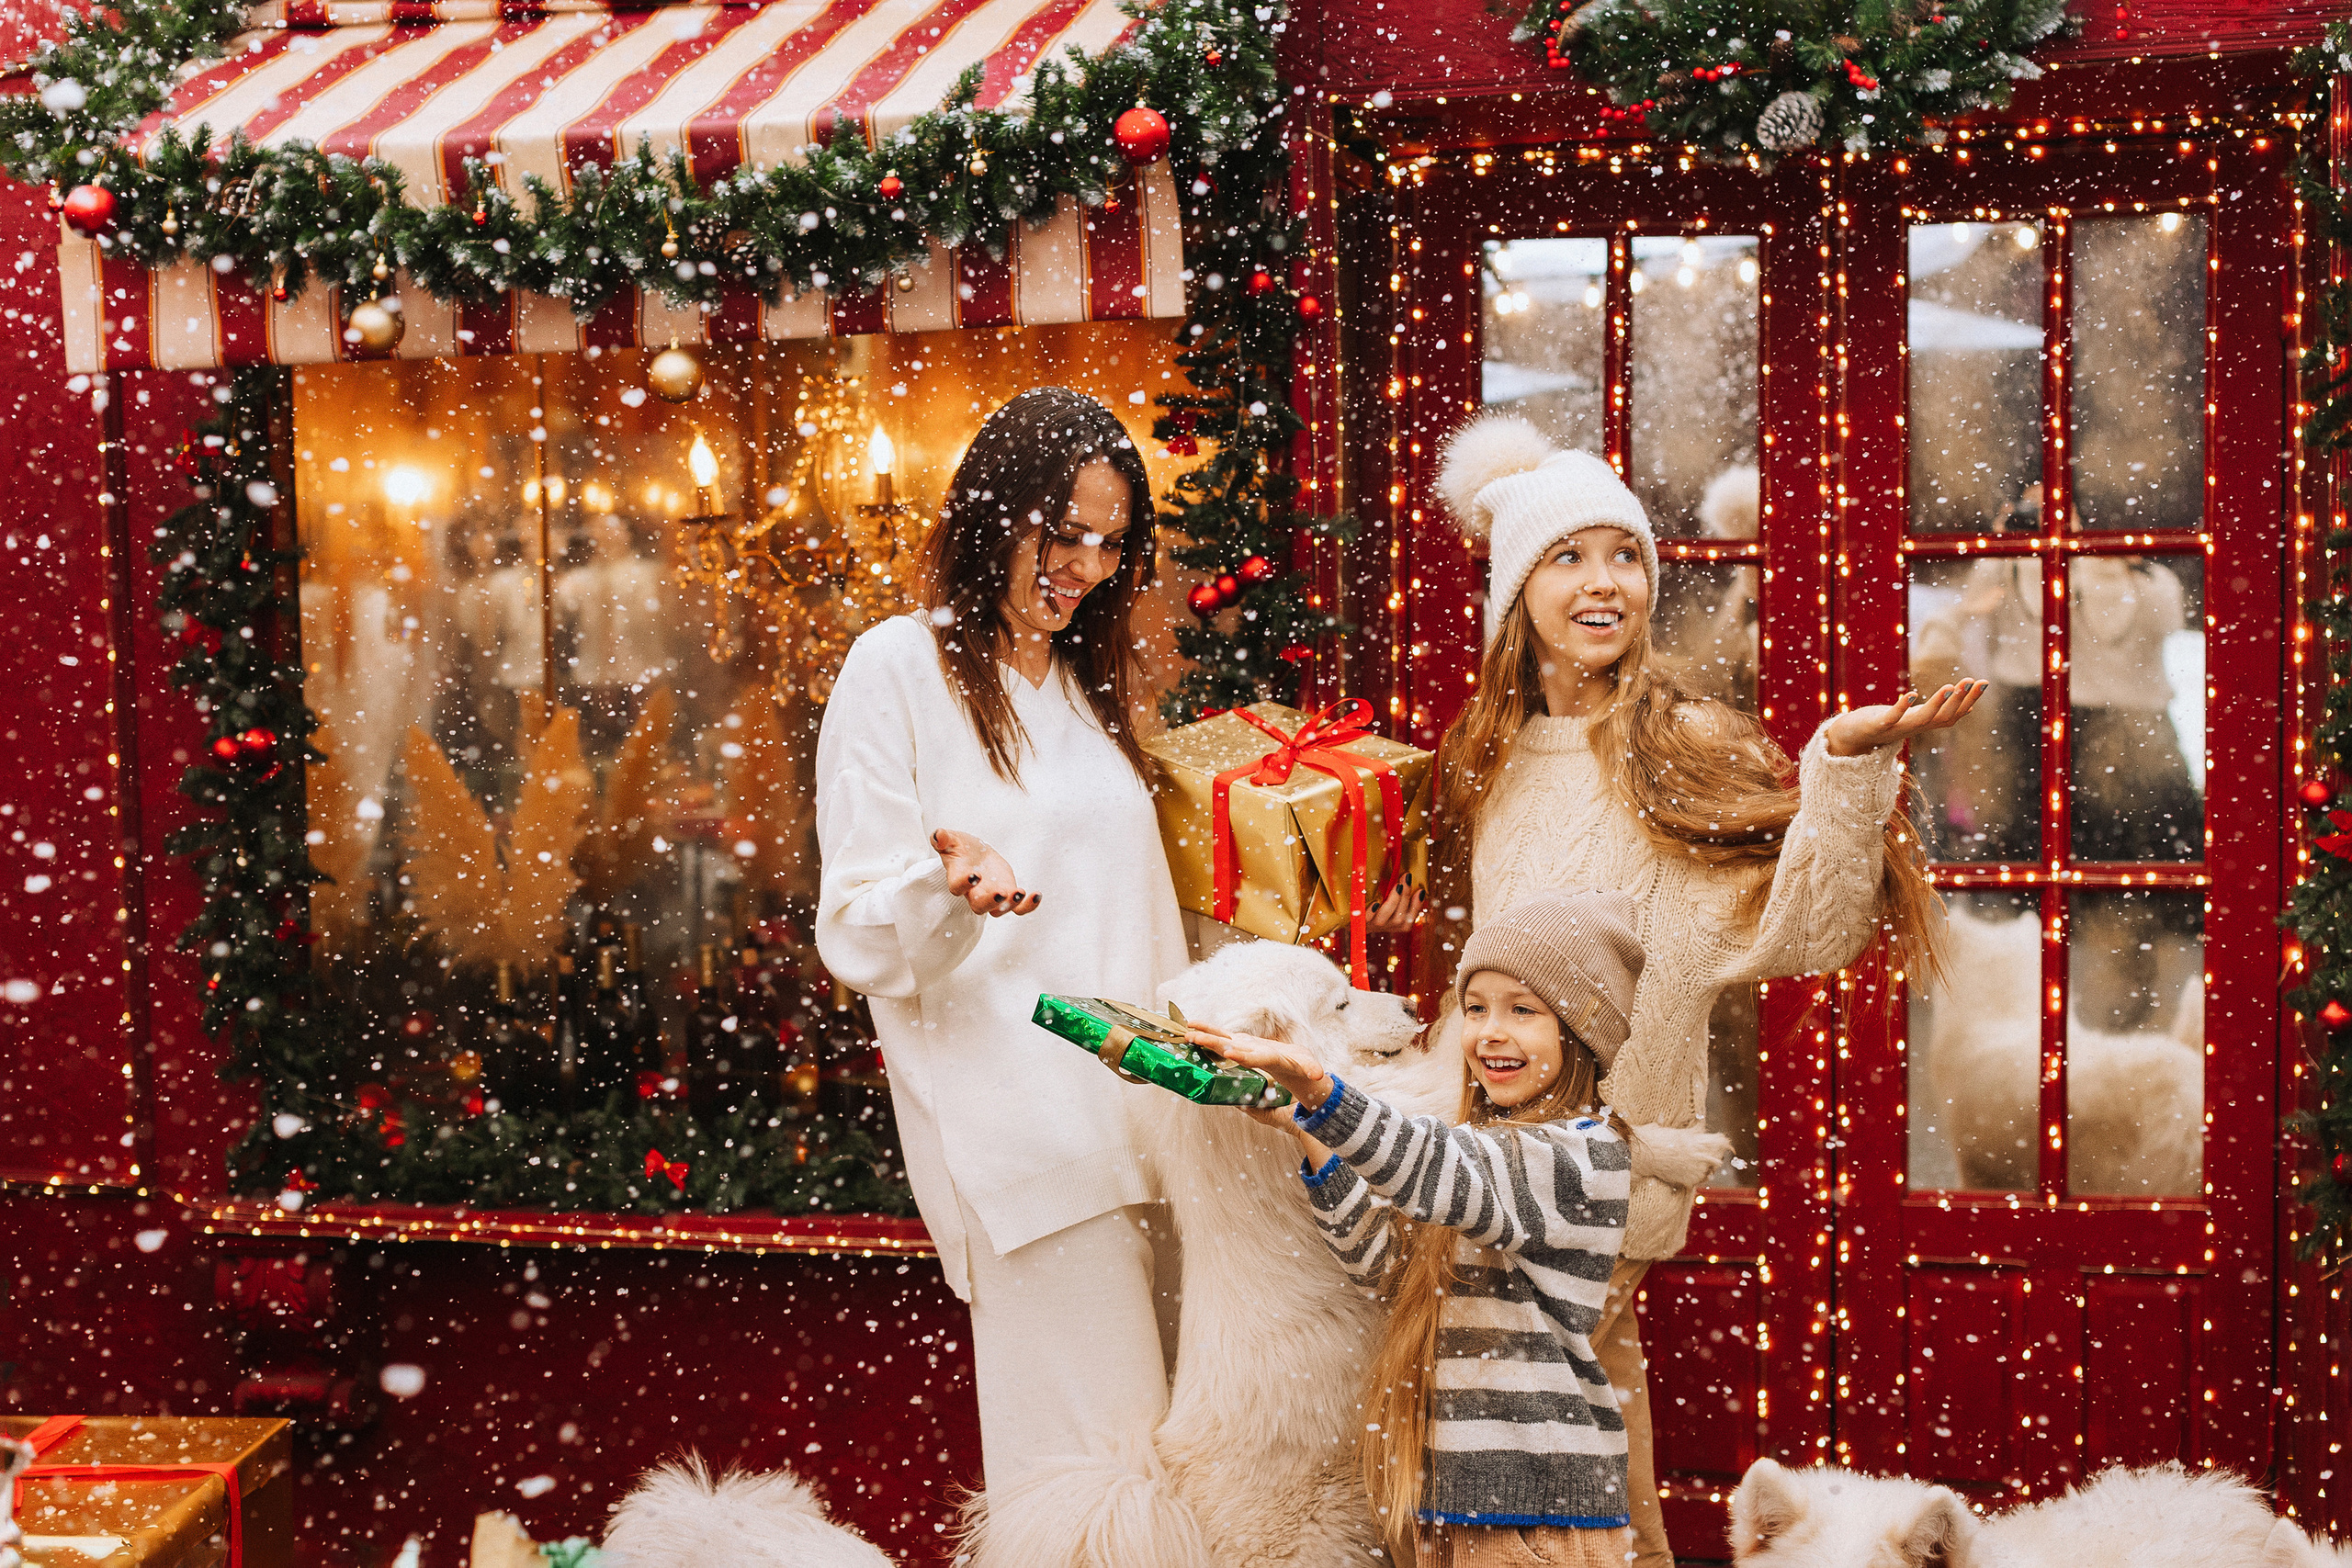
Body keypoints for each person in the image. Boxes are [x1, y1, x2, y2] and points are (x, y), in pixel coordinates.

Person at [1368, 412, 1981, 1568]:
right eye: (1569, 557)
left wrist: (1843, 770)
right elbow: (1475, 977)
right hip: (1471, 1177)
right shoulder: (1480, 759)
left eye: (1627, 557)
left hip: (1595, 1186)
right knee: (1494, 1480)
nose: (1607, 585)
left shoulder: (1680, 746)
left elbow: (1803, 928)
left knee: (1572, 1482)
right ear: (1516, 592)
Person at [812, 388, 1189, 1492]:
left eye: (1110, 543)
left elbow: (1136, 909)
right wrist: (943, 883)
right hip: (1026, 1145)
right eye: (1060, 530)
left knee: (1170, 1485)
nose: (1084, 563)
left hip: (1155, 1132)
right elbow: (857, 932)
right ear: (992, 514)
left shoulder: (1085, 687)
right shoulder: (899, 666)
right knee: (1098, 1494)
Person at [1192, 890, 1644, 1567]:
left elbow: (1430, 1164)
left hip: (1539, 1512)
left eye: (1523, 1010)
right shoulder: (1485, 1151)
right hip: (1461, 1503)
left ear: (1579, 1031)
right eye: (1478, 1007)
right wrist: (1306, 1133)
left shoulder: (1577, 1154)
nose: (1491, 1029)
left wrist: (1322, 1092)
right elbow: (1382, 1265)